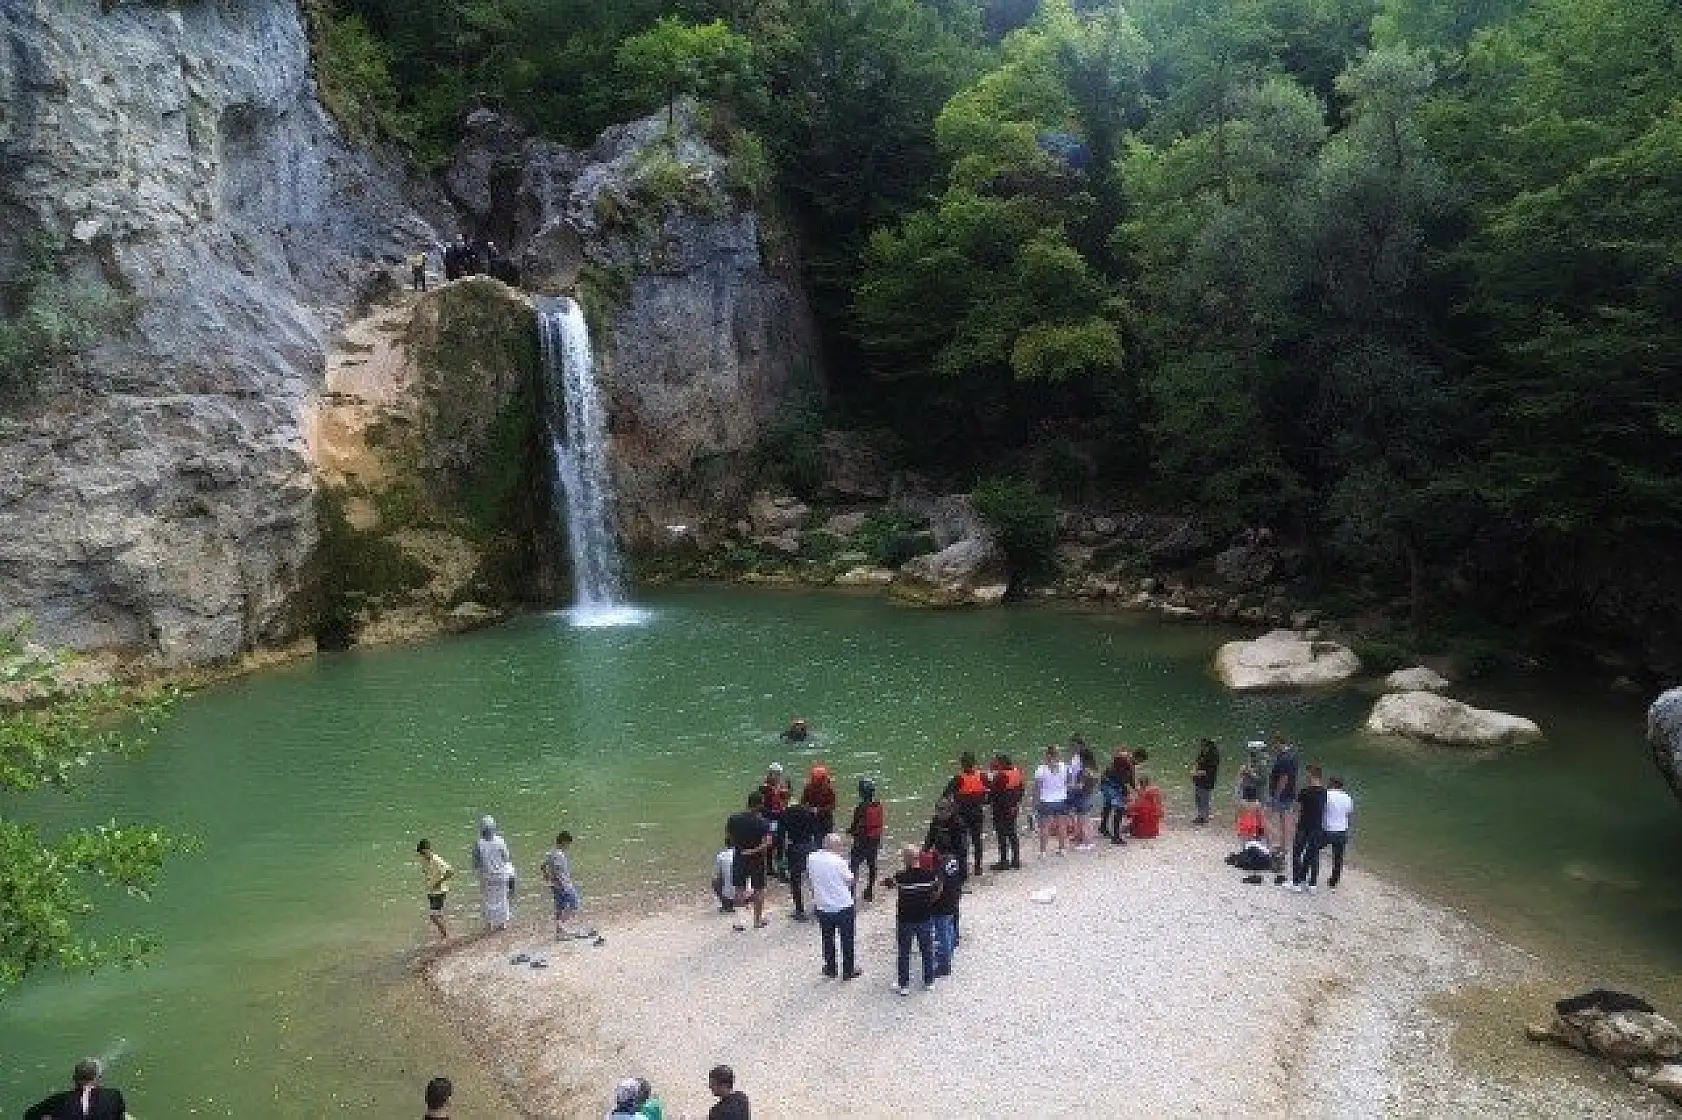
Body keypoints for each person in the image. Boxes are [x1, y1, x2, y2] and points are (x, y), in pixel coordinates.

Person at [882, 843, 940, 995]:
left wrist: (883, 881)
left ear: (906, 860)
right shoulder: (930, 875)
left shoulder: (900, 877)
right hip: (925, 918)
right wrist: (930, 901)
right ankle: (929, 981)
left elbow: (889, 884)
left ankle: (904, 985)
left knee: (904, 952)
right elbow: (937, 888)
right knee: (927, 950)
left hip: (905, 919)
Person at [808, 832, 861, 979]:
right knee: (847, 939)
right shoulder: (839, 862)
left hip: (823, 906)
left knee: (827, 938)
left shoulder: (811, 858)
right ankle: (848, 970)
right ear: (836, 846)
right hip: (843, 906)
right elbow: (850, 881)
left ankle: (830, 968)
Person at [726, 791, 773, 930]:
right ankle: (757, 921)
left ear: (748, 802)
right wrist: (752, 851)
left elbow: (729, 837)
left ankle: (739, 922)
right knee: (758, 888)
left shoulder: (733, 818)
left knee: (739, 888)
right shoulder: (763, 822)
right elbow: (767, 843)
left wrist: (741, 847)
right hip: (757, 859)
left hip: (739, 855)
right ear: (760, 805)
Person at [23, 1058, 127, 1120]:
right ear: (98, 1078)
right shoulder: (114, 1095)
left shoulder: (58, 1101)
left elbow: (29, 1116)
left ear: (74, 1078)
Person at [943, 751, 990, 875]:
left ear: (962, 764)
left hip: (962, 814)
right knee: (977, 840)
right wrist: (985, 800)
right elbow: (990, 791)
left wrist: (949, 811)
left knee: (962, 842)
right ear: (974, 763)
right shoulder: (982, 776)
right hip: (977, 812)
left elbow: (945, 795)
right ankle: (978, 867)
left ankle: (963, 870)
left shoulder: (958, 779)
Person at [781, 795, 824, 921]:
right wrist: (818, 849)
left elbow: (781, 835)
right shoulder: (809, 812)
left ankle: (799, 910)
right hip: (810, 846)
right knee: (813, 878)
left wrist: (782, 854)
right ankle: (819, 907)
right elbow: (817, 831)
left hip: (794, 847)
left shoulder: (785, 814)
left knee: (795, 881)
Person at [1288, 764, 1329, 891]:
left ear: (1312, 775)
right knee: (1313, 854)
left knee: (1297, 853)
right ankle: (1311, 883)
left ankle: (1296, 883)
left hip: (1304, 826)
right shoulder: (1324, 792)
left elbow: (1296, 809)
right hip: (1317, 827)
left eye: (1308, 774)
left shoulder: (1305, 791)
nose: (1306, 776)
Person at [472, 815, 515, 931]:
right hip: (501, 875)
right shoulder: (500, 841)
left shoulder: (478, 844)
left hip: (486, 877)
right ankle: (503, 923)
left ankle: (489, 924)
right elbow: (506, 858)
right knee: (502, 898)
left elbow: (476, 864)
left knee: (487, 900)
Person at [846, 777, 885, 901]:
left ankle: (851, 893)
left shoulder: (861, 807)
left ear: (861, 792)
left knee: (853, 866)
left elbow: (854, 825)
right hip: (874, 840)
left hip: (862, 841)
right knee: (872, 864)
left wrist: (850, 831)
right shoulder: (878, 804)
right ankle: (870, 890)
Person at [930, 843, 965, 977]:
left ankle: (944, 965)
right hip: (953, 899)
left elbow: (938, 888)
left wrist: (930, 901)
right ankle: (949, 953)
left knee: (942, 932)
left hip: (942, 905)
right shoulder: (953, 860)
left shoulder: (941, 866)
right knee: (949, 928)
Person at [988, 753, 1024, 870]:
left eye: (996, 762)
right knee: (1012, 833)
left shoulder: (1001, 776)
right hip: (1013, 808)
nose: (994, 764)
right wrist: (1016, 804)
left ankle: (1003, 861)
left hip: (1001, 810)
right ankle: (1016, 860)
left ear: (1001, 763)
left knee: (1001, 835)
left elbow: (992, 792)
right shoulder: (1016, 772)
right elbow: (1021, 790)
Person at [542, 831, 581, 938]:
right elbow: (559, 873)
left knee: (560, 907)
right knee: (575, 904)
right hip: (563, 885)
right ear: (564, 842)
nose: (569, 846)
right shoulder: (559, 855)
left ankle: (559, 931)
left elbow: (543, 866)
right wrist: (564, 886)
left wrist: (547, 879)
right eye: (568, 844)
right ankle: (561, 926)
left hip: (556, 885)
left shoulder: (551, 853)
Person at [1319, 776, 1355, 888]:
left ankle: (1309, 874)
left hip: (1327, 830)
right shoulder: (1348, 797)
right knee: (1338, 858)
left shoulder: (1326, 794)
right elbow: (1348, 814)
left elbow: (1320, 810)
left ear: (1332, 783)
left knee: (1313, 849)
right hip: (1341, 831)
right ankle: (1333, 882)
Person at [1033, 744, 1069, 857]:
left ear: (1047, 755)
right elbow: (1067, 782)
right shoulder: (1064, 767)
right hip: (1062, 800)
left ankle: (1043, 851)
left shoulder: (1041, 769)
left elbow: (1037, 789)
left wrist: (1035, 802)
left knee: (1045, 827)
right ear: (1058, 755)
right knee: (1062, 826)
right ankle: (1062, 849)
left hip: (1046, 801)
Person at [1266, 733, 1299, 851]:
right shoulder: (1292, 755)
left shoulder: (1284, 758)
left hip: (1281, 794)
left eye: (1274, 745)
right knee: (1283, 819)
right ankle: (1283, 845)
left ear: (1278, 743)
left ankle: (1270, 843)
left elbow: (1284, 778)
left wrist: (1276, 795)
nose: (1273, 748)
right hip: (1290, 792)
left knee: (1267, 817)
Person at [417, 838, 453, 941]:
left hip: (439, 891)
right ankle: (444, 934)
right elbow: (426, 872)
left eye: (424, 853)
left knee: (433, 916)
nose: (423, 855)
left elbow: (450, 872)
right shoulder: (425, 860)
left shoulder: (437, 860)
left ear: (428, 849)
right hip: (431, 891)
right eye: (421, 854)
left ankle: (446, 936)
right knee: (438, 914)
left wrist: (438, 882)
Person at [1067, 744, 1099, 849]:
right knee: (1086, 819)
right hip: (1088, 794)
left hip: (1082, 796)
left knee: (1083, 820)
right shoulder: (1093, 770)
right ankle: (1085, 840)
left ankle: (1087, 843)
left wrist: (1069, 786)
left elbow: (1079, 786)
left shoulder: (1083, 771)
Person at [1098, 748, 1130, 841]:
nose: (1127, 758)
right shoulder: (1122, 768)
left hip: (1106, 786)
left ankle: (1103, 827)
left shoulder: (1112, 767)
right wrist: (1126, 795)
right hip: (1111, 788)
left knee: (1108, 806)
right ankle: (1116, 836)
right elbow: (1124, 783)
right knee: (1119, 810)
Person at [801, 763, 837, 835]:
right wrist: (809, 809)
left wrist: (819, 810)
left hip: (825, 818)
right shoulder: (808, 788)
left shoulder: (829, 789)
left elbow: (832, 806)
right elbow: (803, 803)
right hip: (812, 817)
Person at [1191, 738, 1221, 824]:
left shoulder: (1213, 756)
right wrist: (1194, 771)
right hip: (1199, 779)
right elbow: (1197, 762)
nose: (1202, 747)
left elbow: (1210, 770)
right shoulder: (1202, 754)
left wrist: (1198, 773)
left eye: (1203, 746)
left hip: (1207, 780)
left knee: (1204, 798)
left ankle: (1205, 817)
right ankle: (1200, 815)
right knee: (1198, 798)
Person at [711, 841, 737, 912]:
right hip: (746, 892)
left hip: (732, 893)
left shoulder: (721, 856)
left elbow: (717, 874)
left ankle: (727, 905)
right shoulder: (742, 854)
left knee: (715, 881)